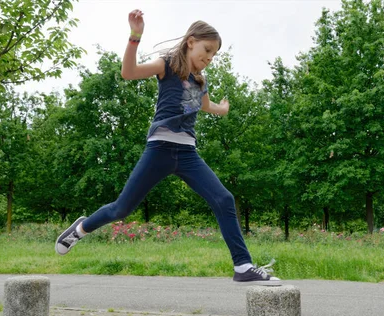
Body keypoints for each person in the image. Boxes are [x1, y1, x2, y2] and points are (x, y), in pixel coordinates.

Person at [56, 9, 280, 286]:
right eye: (206, 50)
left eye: (213, 56)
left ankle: (243, 266)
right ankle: (80, 229)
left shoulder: (201, 81)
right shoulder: (167, 66)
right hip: (160, 148)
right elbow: (129, 72)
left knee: (224, 199)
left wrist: (222, 109)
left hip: (188, 154)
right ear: (191, 41)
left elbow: (206, 105)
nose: (208, 59)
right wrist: (135, 36)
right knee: (122, 209)